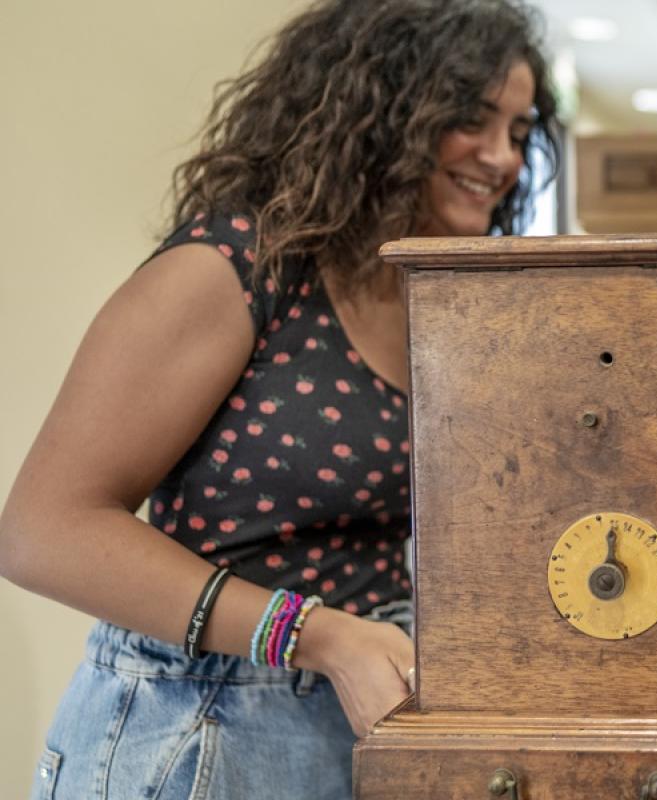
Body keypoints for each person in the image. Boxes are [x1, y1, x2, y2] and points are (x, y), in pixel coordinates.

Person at [0, 1, 559, 797]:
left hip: (345, 727)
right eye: (473, 118)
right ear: (387, 110)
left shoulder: (427, 297)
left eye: (519, 129)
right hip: (197, 727)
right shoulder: (235, 270)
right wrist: (315, 636)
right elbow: (40, 531)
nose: (502, 157)